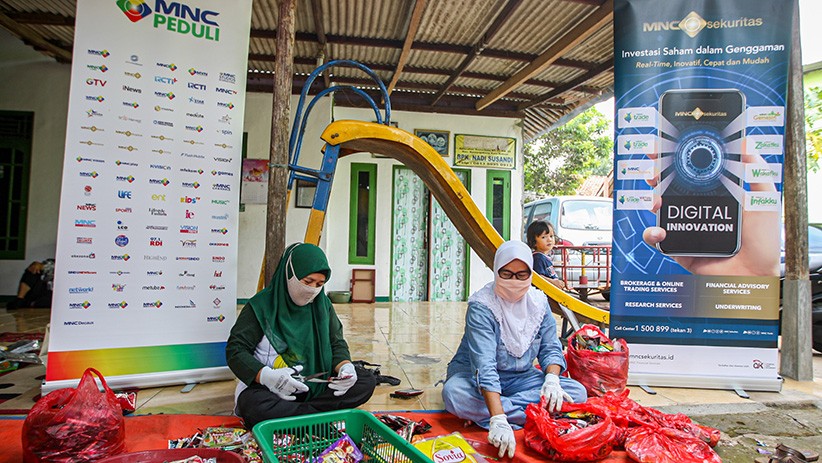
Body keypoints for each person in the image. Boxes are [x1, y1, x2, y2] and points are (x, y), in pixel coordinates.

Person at [441, 241, 587, 458]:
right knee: (454, 394)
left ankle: (492, 413)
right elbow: (484, 366)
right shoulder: (482, 306)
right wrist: (498, 420)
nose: (514, 281)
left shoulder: (539, 303)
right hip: (474, 378)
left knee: (577, 392)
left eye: (521, 275)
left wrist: (552, 381)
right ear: (496, 271)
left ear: (530, 273)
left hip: (522, 377)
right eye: (507, 274)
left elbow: (550, 349)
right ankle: (529, 414)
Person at [226, 243, 376, 429]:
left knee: (365, 381)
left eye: (319, 284)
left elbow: (336, 342)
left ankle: (298, 418)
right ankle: (319, 420)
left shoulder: (322, 306)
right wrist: (266, 376)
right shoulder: (261, 306)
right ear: (289, 273)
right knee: (253, 404)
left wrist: (345, 368)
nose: (312, 290)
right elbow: (236, 350)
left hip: (316, 384)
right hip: (274, 388)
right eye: (307, 281)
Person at [526, 220, 566, 290]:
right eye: (544, 237)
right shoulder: (538, 258)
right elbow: (537, 277)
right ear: (533, 241)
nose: (549, 240)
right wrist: (553, 282)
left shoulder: (544, 257)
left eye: (551, 236)